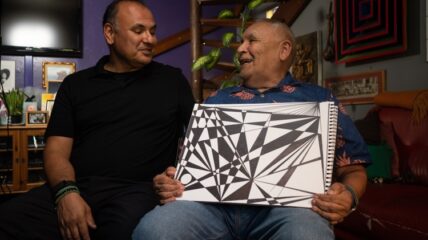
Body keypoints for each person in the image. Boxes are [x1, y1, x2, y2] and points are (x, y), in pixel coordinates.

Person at [132, 19, 370, 240]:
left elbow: (354, 171)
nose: (239, 48)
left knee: (308, 234)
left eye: (251, 41)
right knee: (153, 230)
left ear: (284, 50)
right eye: (241, 41)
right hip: (211, 209)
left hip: (288, 212)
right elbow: (183, 169)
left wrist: (349, 195)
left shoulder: (320, 100)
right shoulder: (217, 99)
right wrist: (169, 180)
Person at [0, 0, 194, 239]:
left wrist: (177, 175)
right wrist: (67, 194)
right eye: (138, 30)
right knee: (7, 218)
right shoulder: (75, 85)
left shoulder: (172, 81)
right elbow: (55, 152)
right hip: (77, 185)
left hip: (139, 190)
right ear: (110, 33)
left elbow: (200, 137)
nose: (150, 39)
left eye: (152, 31)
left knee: (121, 231)